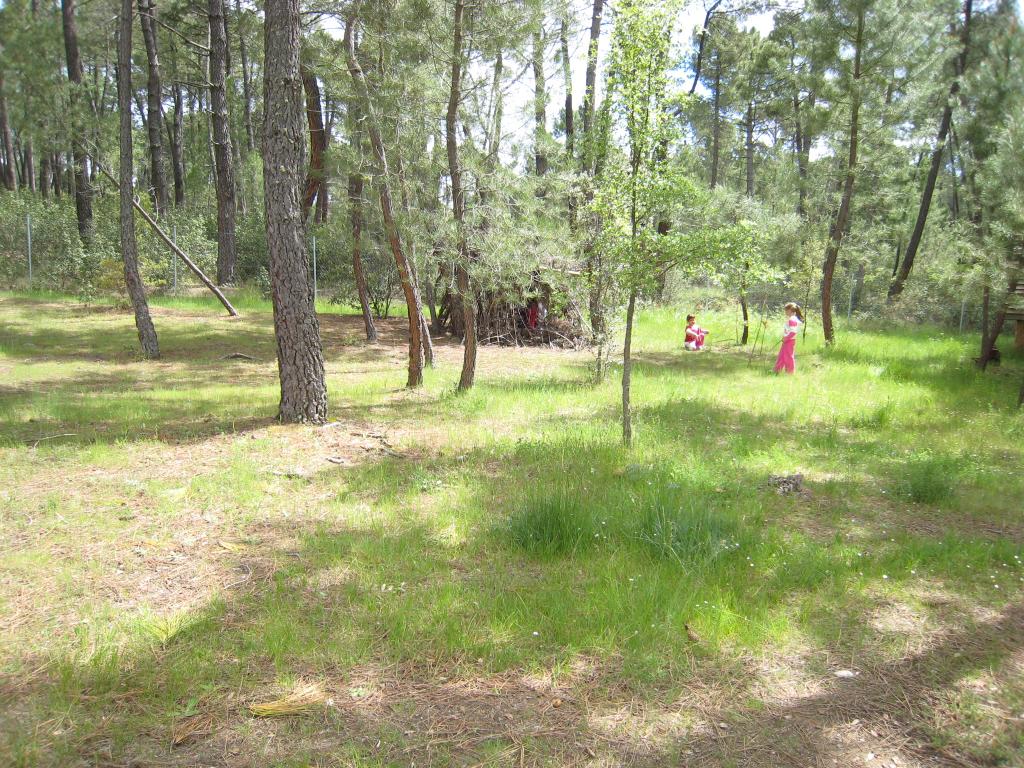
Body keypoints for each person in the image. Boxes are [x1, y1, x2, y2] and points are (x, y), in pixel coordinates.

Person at [773, 302, 804, 374]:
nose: (785, 312)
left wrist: (786, 338)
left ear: (790, 310)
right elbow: (789, 331)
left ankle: (790, 372)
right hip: (787, 340)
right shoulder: (793, 318)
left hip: (789, 341)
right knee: (782, 355)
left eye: (786, 310)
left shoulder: (792, 319)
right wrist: (785, 337)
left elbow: (793, 332)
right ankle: (777, 370)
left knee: (788, 356)